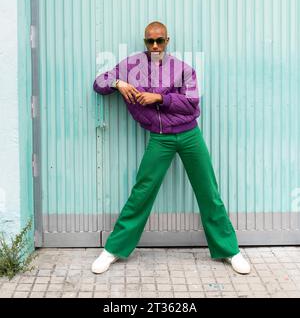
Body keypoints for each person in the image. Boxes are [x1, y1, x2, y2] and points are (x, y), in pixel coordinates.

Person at [92, 21, 251, 275]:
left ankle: (230, 250)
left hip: (189, 135)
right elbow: (99, 83)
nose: (155, 46)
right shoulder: (132, 66)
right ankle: (113, 249)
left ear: (168, 41)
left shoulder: (183, 69)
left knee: (208, 191)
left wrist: (160, 98)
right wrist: (118, 84)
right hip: (160, 138)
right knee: (142, 192)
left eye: (160, 41)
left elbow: (192, 105)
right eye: (149, 41)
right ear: (144, 42)